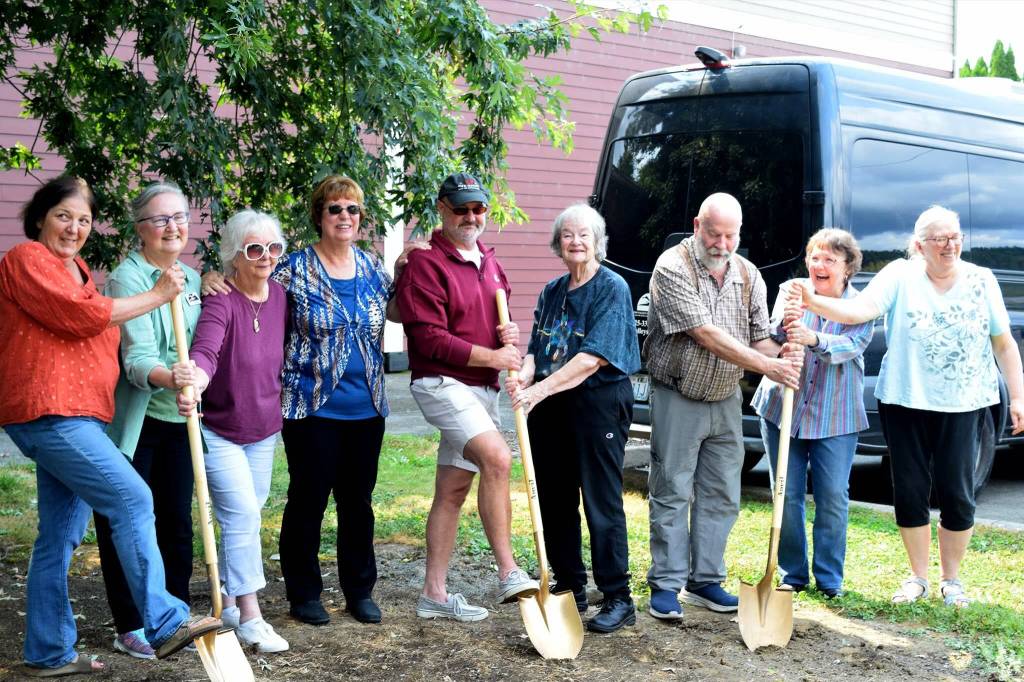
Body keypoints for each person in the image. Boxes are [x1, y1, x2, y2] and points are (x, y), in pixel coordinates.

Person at [0, 176, 221, 676]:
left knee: (59, 537)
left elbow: (98, 327)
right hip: (50, 412)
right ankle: (163, 621)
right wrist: (160, 292)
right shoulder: (27, 259)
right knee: (133, 499)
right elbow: (84, 318)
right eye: (63, 216)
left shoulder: (76, 270)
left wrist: (189, 287)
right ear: (39, 219)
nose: (75, 227)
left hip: (79, 415)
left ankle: (48, 651)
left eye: (83, 219)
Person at [792, 206, 1024, 607]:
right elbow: (858, 311)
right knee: (911, 491)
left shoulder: (982, 280)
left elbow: (1003, 342)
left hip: (964, 402)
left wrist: (1018, 396)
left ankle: (952, 580)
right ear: (919, 246)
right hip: (904, 399)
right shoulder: (899, 275)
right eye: (940, 239)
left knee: (958, 493)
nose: (950, 245)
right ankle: (917, 577)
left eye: (955, 237)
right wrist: (812, 302)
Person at [643, 192, 802, 621]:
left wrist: (787, 354)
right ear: (697, 226)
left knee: (721, 493)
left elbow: (757, 338)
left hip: (726, 398)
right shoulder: (671, 267)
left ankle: (705, 579)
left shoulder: (748, 274)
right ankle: (666, 583)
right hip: (678, 394)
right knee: (672, 489)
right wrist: (768, 365)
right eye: (715, 234)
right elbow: (706, 333)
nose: (723, 244)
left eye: (731, 236)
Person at [396, 171, 540, 622]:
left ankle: (433, 595)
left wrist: (509, 337)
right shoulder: (426, 264)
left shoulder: (490, 263)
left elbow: (498, 325)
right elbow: (431, 340)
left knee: (453, 488)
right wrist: (495, 357)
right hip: (441, 382)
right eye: (461, 208)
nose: (471, 216)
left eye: (478, 208)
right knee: (498, 459)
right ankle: (509, 571)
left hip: (481, 388)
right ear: (442, 209)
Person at [504, 204, 640, 633]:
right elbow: (537, 350)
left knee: (600, 499)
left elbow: (592, 358)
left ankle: (618, 596)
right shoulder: (552, 291)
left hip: (597, 401)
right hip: (552, 406)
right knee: (555, 499)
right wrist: (524, 376)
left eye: (584, 235)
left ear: (597, 241)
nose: (576, 242)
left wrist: (537, 391)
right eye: (568, 236)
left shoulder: (611, 288)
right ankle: (570, 586)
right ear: (558, 244)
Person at [90, 181, 201, 661]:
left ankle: (172, 616)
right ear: (139, 229)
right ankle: (130, 622)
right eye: (160, 219)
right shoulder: (126, 278)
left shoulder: (192, 279)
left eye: (179, 216)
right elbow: (135, 360)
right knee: (131, 522)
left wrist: (193, 383)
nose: (172, 226)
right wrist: (170, 377)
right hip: (134, 423)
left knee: (176, 521)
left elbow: (201, 345)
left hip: (179, 418)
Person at [175, 210, 290, 652]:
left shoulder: (281, 295)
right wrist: (195, 383)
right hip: (219, 428)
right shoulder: (220, 300)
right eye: (254, 249)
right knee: (242, 513)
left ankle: (225, 599)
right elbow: (206, 350)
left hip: (263, 428)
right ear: (234, 257)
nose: (265, 256)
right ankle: (253, 617)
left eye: (273, 248)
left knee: (245, 514)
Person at [751, 228, 873, 598]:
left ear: (847, 268)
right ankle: (792, 573)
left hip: (835, 414)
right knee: (785, 491)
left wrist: (814, 338)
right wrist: (786, 324)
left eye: (830, 260)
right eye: (814, 257)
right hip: (782, 405)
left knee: (832, 494)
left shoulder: (861, 305)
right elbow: (771, 334)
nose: (819, 265)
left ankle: (829, 578)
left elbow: (853, 345)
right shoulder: (792, 291)